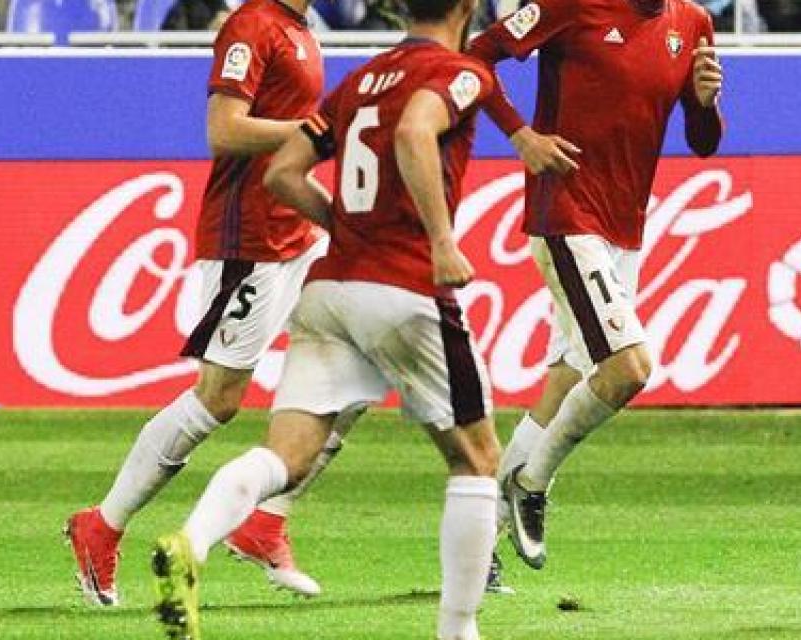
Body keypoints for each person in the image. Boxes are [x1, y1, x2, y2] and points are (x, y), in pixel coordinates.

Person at [148, 0, 576, 634]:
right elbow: (413, 132)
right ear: (466, 9)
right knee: (480, 460)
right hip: (404, 290)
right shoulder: (462, 71)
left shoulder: (359, 80)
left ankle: (193, 542)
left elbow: (284, 174)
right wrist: (440, 240)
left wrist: (343, 229)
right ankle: (458, 630)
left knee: (284, 456)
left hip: (329, 290)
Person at [65, 0, 332, 605]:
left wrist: (333, 215)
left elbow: (295, 146)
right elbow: (225, 130)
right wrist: (310, 132)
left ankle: (267, 522)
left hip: (298, 233)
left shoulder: (300, 29)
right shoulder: (254, 24)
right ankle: (100, 526)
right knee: (219, 400)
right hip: (251, 241)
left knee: (358, 362)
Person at [464, 0, 724, 570]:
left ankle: (479, 547)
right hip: (567, 213)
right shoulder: (571, 4)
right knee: (628, 368)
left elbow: (703, 141)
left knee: (567, 382)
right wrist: (521, 135)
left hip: (625, 228)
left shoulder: (693, 22)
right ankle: (533, 484)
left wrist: (706, 105)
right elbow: (476, 58)